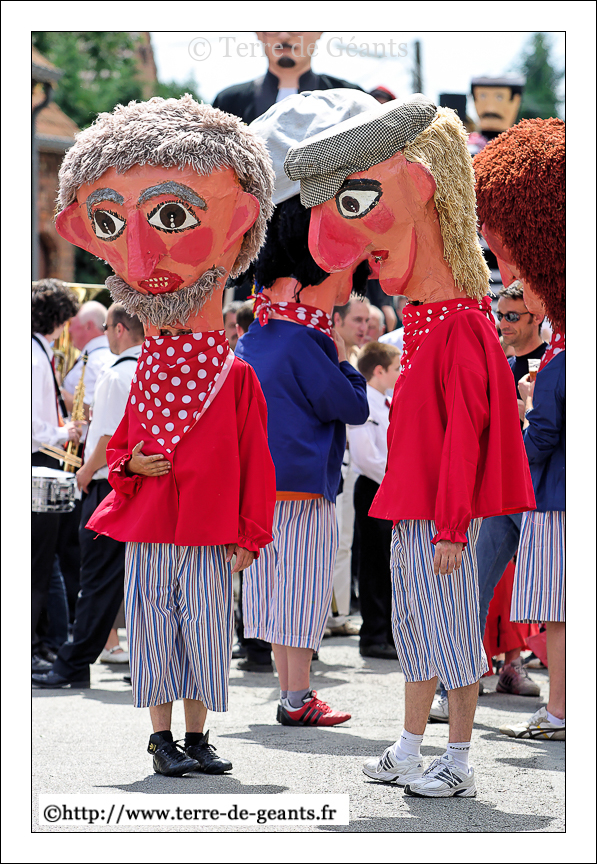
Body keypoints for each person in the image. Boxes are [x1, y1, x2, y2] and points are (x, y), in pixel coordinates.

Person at [286, 93, 535, 796]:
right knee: (419, 634)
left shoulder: (459, 323)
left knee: (452, 638)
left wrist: (453, 524)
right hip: (415, 506)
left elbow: (465, 436)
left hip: (441, 514)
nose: (368, 258)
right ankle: (408, 746)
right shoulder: (433, 320)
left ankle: (458, 761)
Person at [54, 95, 277, 776]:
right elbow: (121, 446)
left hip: (208, 527)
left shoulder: (235, 373)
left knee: (204, 633)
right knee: (154, 629)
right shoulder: (145, 364)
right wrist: (131, 468)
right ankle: (160, 740)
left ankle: (197, 736)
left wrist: (250, 532)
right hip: (152, 524)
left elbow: (255, 460)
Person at [237, 90, 372, 726]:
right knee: (303, 593)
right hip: (302, 484)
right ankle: (296, 696)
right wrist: (344, 356)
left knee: (277, 595)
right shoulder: (304, 340)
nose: (346, 284)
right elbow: (351, 403)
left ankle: (292, 695)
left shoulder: (257, 336)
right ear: (299, 276)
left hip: (263, 485)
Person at [474, 117, 565, 741]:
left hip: (546, 494)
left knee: (554, 613)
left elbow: (545, 432)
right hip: (539, 490)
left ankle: (558, 710)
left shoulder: (562, 353)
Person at [428, 279, 545, 721]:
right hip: (497, 495)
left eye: (513, 316)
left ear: (536, 317)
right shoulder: (495, 358)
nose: (504, 324)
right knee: (473, 587)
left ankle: (524, 676)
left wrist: (527, 414)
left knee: (549, 594)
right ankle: (456, 685)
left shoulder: (552, 361)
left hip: (540, 493)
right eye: (501, 315)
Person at [33, 304, 144, 687]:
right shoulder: (150, 369)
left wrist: (84, 471)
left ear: (119, 330)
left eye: (107, 328)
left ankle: (73, 664)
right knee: (137, 582)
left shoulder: (116, 374)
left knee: (96, 579)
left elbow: (109, 438)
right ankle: (141, 663)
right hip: (137, 483)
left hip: (108, 483)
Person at [32, 279, 82, 671]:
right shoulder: (34, 358)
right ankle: (39, 644)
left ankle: (48, 641)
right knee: (38, 563)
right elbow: (32, 426)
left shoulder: (38, 353)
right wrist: (66, 432)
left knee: (44, 562)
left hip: (42, 460)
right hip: (38, 459)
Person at [347, 341, 401, 659]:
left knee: (388, 562)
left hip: (389, 486)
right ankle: (373, 634)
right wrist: (397, 481)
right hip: (374, 486)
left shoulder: (386, 401)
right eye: (395, 368)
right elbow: (366, 456)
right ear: (379, 371)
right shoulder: (365, 401)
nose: (399, 373)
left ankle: (389, 633)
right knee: (374, 564)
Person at [213, 32, 362, 125]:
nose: (284, 35)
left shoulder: (351, 100)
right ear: (258, 33)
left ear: (319, 32)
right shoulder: (227, 105)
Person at [61, 300, 112, 414]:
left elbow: (89, 411)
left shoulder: (93, 363)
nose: (69, 330)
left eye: (72, 324)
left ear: (88, 326)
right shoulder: (102, 355)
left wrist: (56, 389)